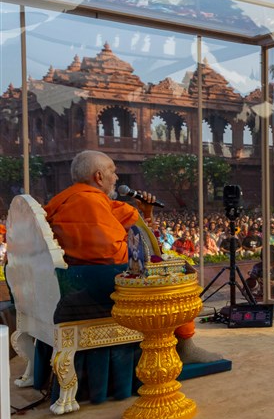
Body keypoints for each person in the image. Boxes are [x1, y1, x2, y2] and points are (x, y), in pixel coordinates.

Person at [44, 150, 219, 363]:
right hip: (96, 282)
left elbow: (120, 234)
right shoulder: (88, 203)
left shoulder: (70, 199)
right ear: (99, 177)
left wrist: (146, 216)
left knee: (168, 265)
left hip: (82, 278)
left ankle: (177, 343)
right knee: (176, 272)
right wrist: (152, 255)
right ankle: (184, 345)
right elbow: (115, 254)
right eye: (113, 172)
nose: (116, 178)